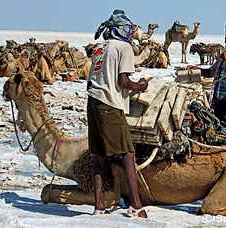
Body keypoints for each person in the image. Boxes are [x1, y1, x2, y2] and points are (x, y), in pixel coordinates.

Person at [87, 9, 148, 218]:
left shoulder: (100, 47)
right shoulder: (124, 47)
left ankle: (99, 207)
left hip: (93, 101)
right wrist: (139, 86)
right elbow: (123, 81)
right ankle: (136, 206)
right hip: (109, 105)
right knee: (128, 154)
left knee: (99, 156)